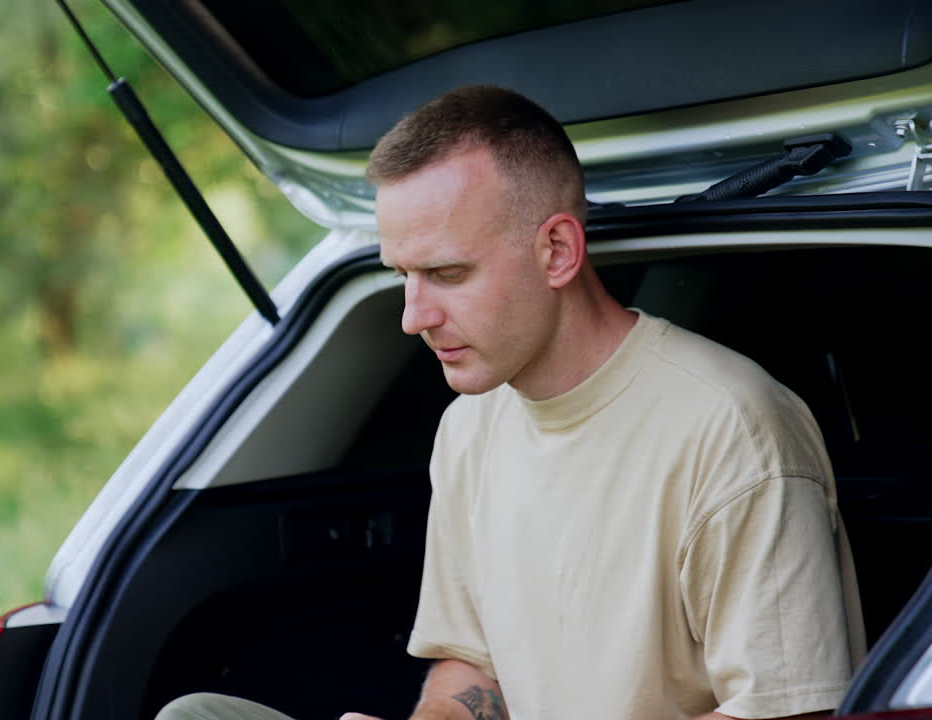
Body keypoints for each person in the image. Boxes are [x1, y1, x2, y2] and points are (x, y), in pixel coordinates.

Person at [156, 85, 865, 720]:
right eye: (401, 274)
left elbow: (786, 714)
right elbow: (472, 665)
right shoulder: (470, 425)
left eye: (445, 273)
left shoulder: (732, 426)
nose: (412, 316)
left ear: (557, 251)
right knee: (197, 717)